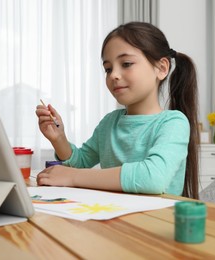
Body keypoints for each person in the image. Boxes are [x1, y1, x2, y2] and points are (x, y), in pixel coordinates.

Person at [35, 22, 200, 199]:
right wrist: (59, 139)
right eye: (108, 69)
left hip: (156, 223)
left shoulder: (173, 123)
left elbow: (152, 178)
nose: (114, 75)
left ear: (161, 68)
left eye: (126, 63)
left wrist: (73, 177)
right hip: (112, 218)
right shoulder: (109, 123)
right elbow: (80, 162)